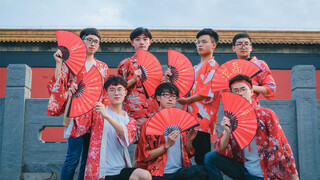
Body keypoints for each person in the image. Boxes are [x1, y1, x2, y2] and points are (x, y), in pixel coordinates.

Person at [204, 75, 299, 180]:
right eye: (236, 91)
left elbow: (283, 145)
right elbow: (221, 150)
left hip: (265, 173)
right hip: (244, 169)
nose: (240, 93)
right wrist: (227, 132)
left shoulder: (266, 115)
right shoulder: (232, 117)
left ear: (251, 92)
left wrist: (294, 175)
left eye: (243, 89)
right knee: (210, 158)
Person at [47, 28, 109, 180]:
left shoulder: (103, 67)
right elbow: (59, 83)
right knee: (72, 157)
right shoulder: (71, 63)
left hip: (94, 115)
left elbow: (104, 92)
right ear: (81, 41)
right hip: (76, 113)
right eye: (89, 40)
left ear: (99, 46)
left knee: (87, 160)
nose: (92, 43)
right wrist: (59, 63)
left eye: (96, 41)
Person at [166, 28, 220, 165]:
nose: (200, 45)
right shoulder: (195, 67)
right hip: (188, 116)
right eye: (198, 42)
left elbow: (207, 92)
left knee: (202, 158)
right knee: (187, 153)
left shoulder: (213, 65)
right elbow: (184, 89)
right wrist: (171, 80)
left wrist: (187, 100)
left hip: (203, 119)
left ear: (213, 45)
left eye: (204, 42)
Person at [84, 75, 151, 180]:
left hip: (120, 169)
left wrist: (107, 116)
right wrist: (71, 97)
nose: (116, 93)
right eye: (112, 90)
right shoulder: (97, 113)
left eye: (120, 89)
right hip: (100, 171)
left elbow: (127, 134)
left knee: (144, 175)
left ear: (125, 92)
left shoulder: (130, 121)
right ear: (106, 94)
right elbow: (73, 123)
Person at [137, 82, 207, 179]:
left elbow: (187, 154)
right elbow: (144, 157)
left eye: (173, 96)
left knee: (202, 171)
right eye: (166, 95)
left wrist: (189, 140)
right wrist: (166, 145)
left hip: (179, 172)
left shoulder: (181, 122)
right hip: (159, 173)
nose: (170, 98)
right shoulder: (148, 124)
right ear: (158, 98)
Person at [232, 32, 276, 106]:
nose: (243, 47)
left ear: (251, 47)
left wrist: (249, 86)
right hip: (233, 107)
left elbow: (270, 89)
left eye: (246, 44)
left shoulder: (260, 65)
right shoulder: (230, 67)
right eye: (239, 44)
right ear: (234, 48)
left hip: (252, 106)